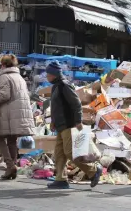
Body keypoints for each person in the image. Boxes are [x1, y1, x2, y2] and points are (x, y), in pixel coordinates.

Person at [45, 61, 102, 189]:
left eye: (48, 74)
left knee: (71, 153)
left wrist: (78, 121)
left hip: (69, 124)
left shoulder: (64, 86)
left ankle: (93, 170)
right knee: (59, 153)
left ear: (54, 74)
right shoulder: (56, 86)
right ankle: (61, 179)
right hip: (60, 126)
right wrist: (53, 122)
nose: (47, 76)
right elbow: (56, 107)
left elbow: (76, 104)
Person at [0, 55, 35, 180]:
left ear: (4, 65)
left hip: (9, 114)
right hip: (19, 114)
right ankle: (12, 168)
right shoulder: (19, 77)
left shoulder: (4, 77)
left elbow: (4, 95)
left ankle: (10, 165)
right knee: (12, 140)